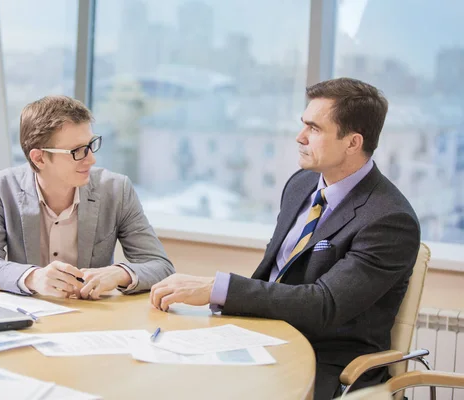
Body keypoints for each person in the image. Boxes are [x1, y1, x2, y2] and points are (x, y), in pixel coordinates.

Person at [150, 78, 420, 399]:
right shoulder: (302, 184)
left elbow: (325, 305)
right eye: (303, 125)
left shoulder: (389, 219)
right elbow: (277, 275)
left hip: (328, 360)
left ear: (352, 142)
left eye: (315, 129)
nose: (300, 137)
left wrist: (216, 288)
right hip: (262, 336)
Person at [0, 95, 174, 300]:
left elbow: (161, 266)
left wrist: (120, 272)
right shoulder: (1, 188)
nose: (91, 159)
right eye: (77, 151)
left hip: (91, 318)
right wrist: (34, 277)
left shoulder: (116, 190)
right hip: (29, 318)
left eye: (91, 145)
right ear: (39, 158)